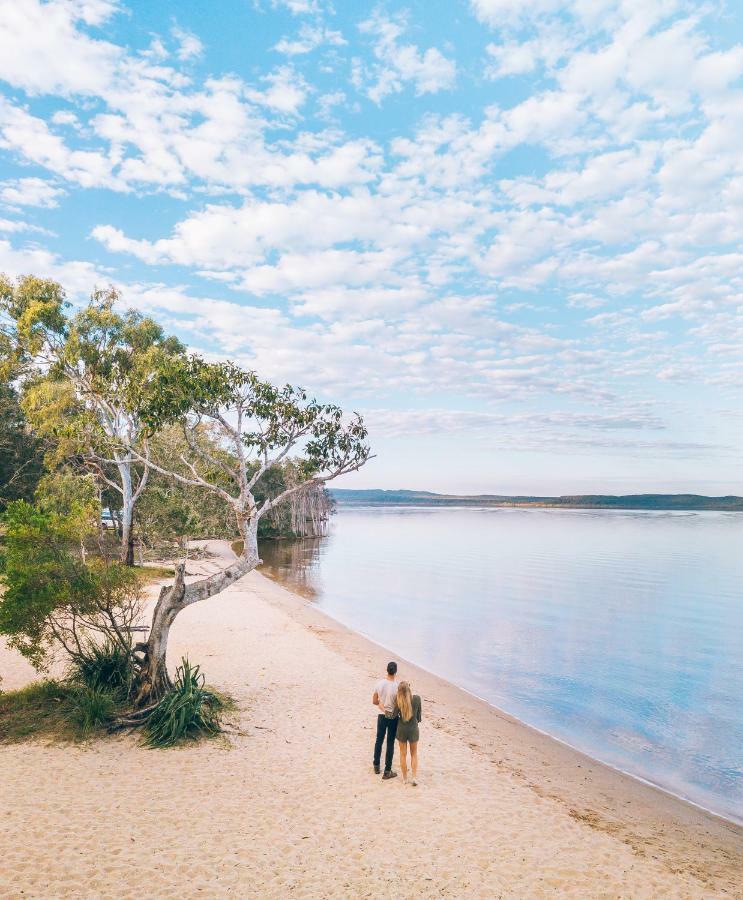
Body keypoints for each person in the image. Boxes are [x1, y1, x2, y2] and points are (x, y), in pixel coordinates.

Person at [372, 661, 399, 779]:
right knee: (390, 743)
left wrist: (381, 706)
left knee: (379, 740)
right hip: (393, 717)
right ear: (395, 671)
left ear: (387, 670)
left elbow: (374, 701)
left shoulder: (379, 683)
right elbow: (399, 705)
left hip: (381, 715)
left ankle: (376, 765)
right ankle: (387, 770)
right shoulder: (397, 686)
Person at [395, 681, 422, 785]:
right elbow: (419, 718)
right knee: (414, 754)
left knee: (403, 754)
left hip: (401, 729)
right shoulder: (417, 699)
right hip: (413, 729)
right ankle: (414, 778)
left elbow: (394, 715)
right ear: (409, 689)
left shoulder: (398, 700)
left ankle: (405, 779)